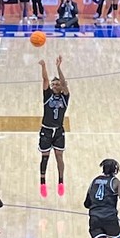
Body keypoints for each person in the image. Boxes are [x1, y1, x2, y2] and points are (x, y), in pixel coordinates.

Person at [38, 56, 70, 198]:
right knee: (45, 157)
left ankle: (61, 181)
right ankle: (43, 182)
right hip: (46, 130)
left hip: (58, 131)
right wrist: (44, 66)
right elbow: (45, 80)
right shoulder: (47, 96)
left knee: (59, 156)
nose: (55, 86)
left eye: (57, 84)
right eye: (54, 84)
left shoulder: (65, 97)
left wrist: (58, 67)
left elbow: (64, 83)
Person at [84, 159, 120, 238]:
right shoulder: (118, 183)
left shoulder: (94, 181)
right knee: (118, 237)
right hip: (110, 217)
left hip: (94, 218)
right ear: (115, 170)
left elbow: (86, 204)